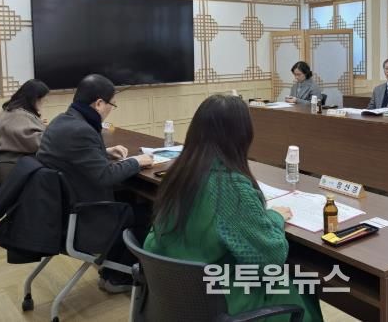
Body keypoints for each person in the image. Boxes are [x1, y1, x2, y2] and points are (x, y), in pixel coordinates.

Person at [144, 95, 322, 321]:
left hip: (174, 295)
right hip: (218, 300)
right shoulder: (229, 187)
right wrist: (275, 217)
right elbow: (271, 257)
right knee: (303, 284)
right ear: (242, 136)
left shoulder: (179, 173)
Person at [37, 74, 154, 293]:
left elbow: (74, 157)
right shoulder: (82, 130)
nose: (111, 110)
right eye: (112, 105)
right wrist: (136, 161)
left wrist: (105, 152)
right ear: (99, 103)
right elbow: (105, 176)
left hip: (59, 209)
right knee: (151, 212)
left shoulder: (61, 121)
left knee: (129, 197)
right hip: (83, 215)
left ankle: (111, 269)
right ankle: (118, 277)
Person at [0, 79, 50, 184]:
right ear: (34, 99)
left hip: (3, 164)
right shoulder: (18, 114)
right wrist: (52, 131)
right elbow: (37, 143)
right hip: (9, 168)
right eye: (43, 100)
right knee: (53, 173)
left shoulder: (10, 109)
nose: (43, 103)